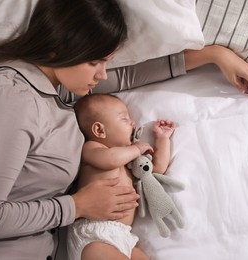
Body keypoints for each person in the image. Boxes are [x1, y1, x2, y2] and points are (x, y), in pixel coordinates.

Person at [0, 0, 248, 259]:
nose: (103, 75)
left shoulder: (56, 92)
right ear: (58, 50)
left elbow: (129, 76)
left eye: (106, 62)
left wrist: (213, 55)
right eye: (95, 62)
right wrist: (77, 206)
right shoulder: (13, 97)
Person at [67, 94, 175, 260]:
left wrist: (162, 140)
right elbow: (111, 160)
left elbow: (156, 172)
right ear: (99, 130)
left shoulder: (130, 159)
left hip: (124, 236)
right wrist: (136, 149)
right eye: (124, 119)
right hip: (94, 235)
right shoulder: (92, 148)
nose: (133, 123)